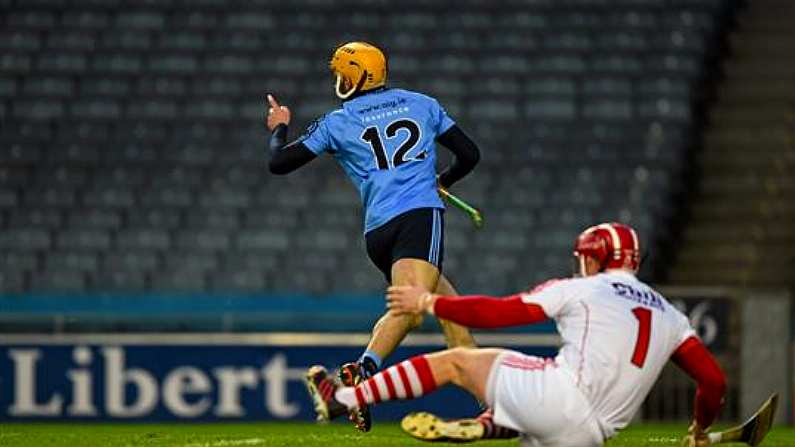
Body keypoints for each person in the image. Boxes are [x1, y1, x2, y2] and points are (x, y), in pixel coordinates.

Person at [306, 223, 727, 446]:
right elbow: (713, 382)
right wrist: (700, 429)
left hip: (563, 399)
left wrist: (430, 303)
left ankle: (343, 399)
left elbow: (499, 313)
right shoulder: (671, 315)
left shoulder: (580, 288)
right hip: (593, 435)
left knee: (459, 362)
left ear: (595, 259)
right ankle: (489, 425)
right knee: (527, 394)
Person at [264, 41, 480, 431]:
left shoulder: (337, 121)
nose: (337, 79)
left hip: (379, 231)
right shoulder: (422, 103)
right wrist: (442, 181)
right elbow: (469, 154)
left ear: (351, 77)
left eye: (340, 72)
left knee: (450, 309)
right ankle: (359, 377)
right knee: (411, 311)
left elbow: (278, 163)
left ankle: (490, 401)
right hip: (418, 217)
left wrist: (279, 126)